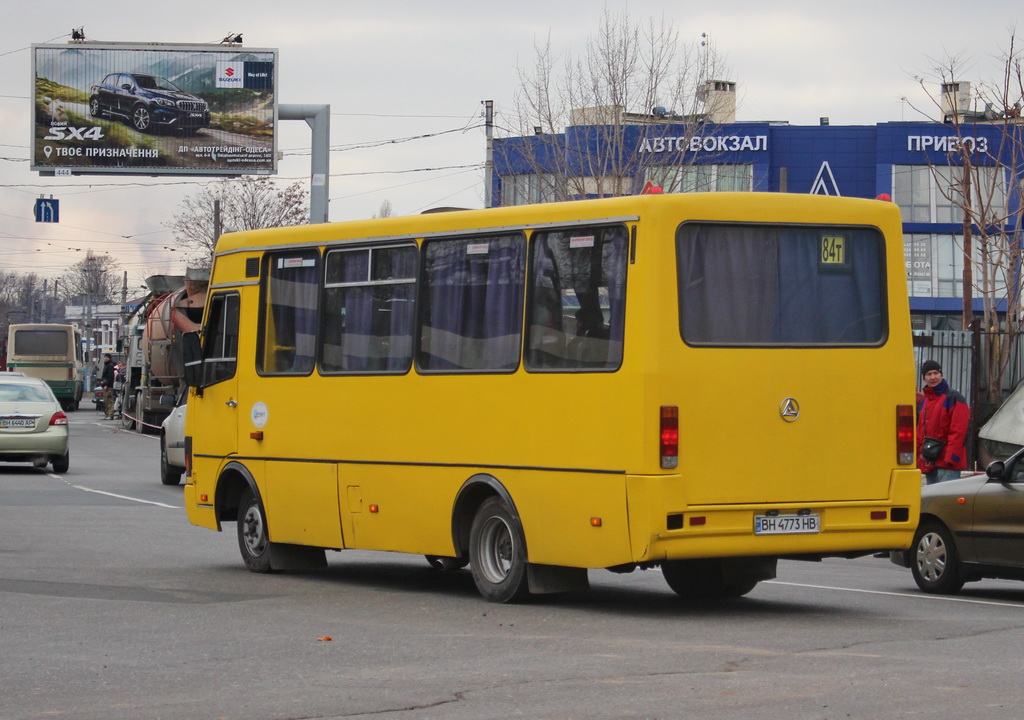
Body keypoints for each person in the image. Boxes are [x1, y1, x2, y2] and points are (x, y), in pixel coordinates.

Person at [917, 359, 970, 484]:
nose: (933, 377)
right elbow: (920, 432)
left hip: (948, 464)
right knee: (934, 501)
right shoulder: (924, 403)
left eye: (936, 373)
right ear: (924, 378)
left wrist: (952, 457)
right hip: (929, 462)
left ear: (941, 374)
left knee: (946, 501)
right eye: (929, 374)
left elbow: (959, 430)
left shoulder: (954, 398)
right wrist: (920, 458)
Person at [100, 354, 116, 420]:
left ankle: (110, 415)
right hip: (105, 386)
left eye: (107, 357)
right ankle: (107, 414)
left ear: (109, 358)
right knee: (106, 401)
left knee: (109, 400)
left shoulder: (110, 366)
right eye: (105, 357)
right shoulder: (106, 365)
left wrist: (107, 385)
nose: (105, 358)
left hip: (108, 386)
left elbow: (110, 377)